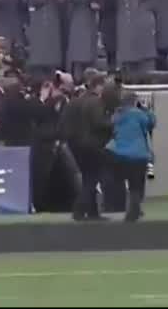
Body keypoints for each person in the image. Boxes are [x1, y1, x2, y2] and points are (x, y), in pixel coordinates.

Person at [60, 72, 111, 221]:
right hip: (92, 144)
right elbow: (99, 122)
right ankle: (79, 210)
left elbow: (63, 123)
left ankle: (92, 212)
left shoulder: (76, 101)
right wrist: (114, 122)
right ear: (99, 86)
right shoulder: (95, 102)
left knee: (89, 177)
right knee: (92, 179)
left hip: (76, 145)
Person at [105, 89, 156, 223]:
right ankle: (133, 213)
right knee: (136, 186)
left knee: (125, 183)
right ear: (134, 101)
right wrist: (146, 109)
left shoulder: (117, 115)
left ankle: (133, 209)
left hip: (119, 155)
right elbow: (151, 123)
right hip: (138, 155)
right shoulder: (138, 114)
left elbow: (112, 127)